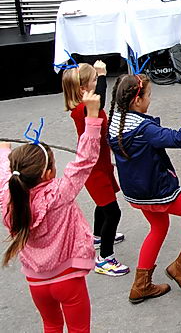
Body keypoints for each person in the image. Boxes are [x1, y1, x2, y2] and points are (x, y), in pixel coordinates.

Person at [108, 74, 181, 304]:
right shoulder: (144, 129)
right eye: (148, 95)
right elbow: (180, 139)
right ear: (137, 100)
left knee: (158, 227)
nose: (150, 99)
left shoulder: (115, 121)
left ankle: (141, 285)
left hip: (135, 193)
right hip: (157, 192)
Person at [1, 92, 101, 333]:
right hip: (68, 277)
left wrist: (4, 153)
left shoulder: (8, 195)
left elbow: (5, 172)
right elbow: (85, 160)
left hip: (36, 281)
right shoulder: (59, 194)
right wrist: (93, 115)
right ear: (48, 174)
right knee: (79, 330)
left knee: (51, 325)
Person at [61, 60, 129, 278]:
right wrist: (102, 75)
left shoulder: (83, 107)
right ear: (83, 88)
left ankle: (98, 236)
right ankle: (105, 258)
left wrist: (97, 76)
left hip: (101, 165)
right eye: (93, 81)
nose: (97, 83)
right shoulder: (84, 109)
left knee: (103, 205)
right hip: (94, 170)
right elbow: (99, 101)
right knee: (113, 211)